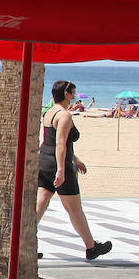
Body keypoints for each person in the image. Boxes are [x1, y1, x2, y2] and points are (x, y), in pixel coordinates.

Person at [37, 80, 112, 261]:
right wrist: (62, 169)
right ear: (67, 94)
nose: (75, 96)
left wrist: (75, 159)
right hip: (58, 165)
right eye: (74, 92)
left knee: (40, 205)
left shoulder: (49, 112)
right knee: (74, 209)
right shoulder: (64, 115)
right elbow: (60, 143)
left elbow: (49, 141)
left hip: (44, 161)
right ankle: (91, 247)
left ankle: (24, 242)